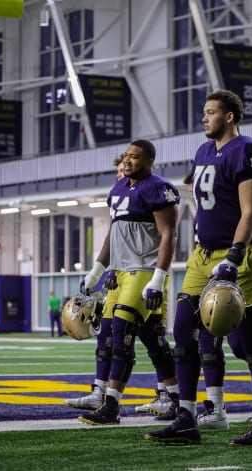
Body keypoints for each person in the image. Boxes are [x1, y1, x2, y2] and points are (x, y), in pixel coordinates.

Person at [144, 89, 252, 446]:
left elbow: (250, 211)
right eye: (204, 112)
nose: (204, 118)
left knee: (247, 341)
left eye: (211, 112)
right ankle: (186, 418)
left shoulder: (248, 150)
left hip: (243, 254)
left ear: (230, 116)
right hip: (202, 254)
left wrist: (233, 255)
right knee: (183, 329)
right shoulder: (202, 152)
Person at [73, 139, 180, 426]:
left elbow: (169, 234)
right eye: (126, 156)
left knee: (121, 337)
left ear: (149, 160)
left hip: (143, 271)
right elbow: (113, 235)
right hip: (118, 275)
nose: (128, 160)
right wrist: (96, 270)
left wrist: (159, 277)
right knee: (126, 338)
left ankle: (112, 406)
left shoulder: (159, 187)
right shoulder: (118, 189)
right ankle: (174, 399)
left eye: (135, 156)